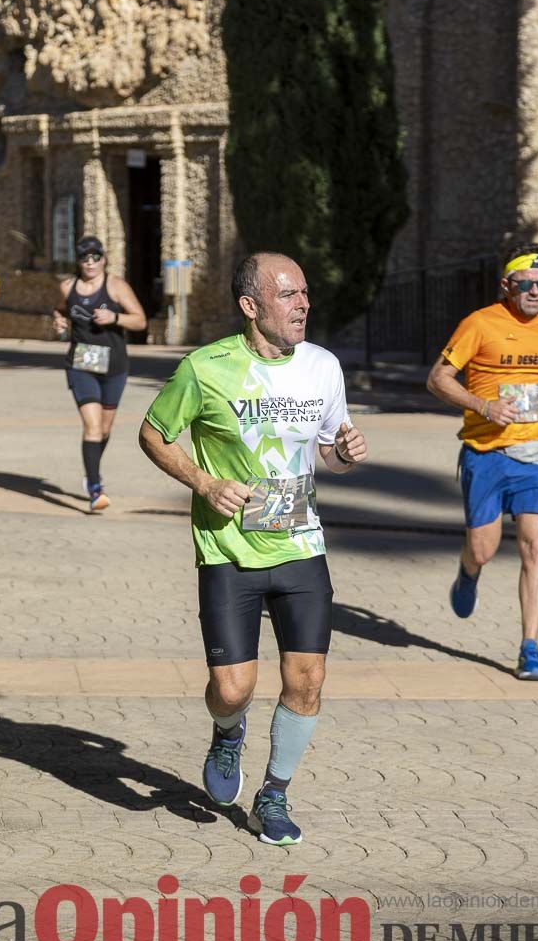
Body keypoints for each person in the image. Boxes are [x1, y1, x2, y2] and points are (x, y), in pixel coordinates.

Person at [138, 252, 367, 845]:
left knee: (308, 679)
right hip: (228, 548)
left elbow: (325, 454)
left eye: (305, 293)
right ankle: (227, 732)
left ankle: (273, 794)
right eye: (288, 295)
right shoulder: (205, 367)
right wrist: (205, 483)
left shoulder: (322, 367)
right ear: (250, 306)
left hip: (299, 543)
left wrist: (341, 455)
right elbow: (153, 433)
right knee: (233, 688)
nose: (303, 304)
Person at [426, 242, 538, 681]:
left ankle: (529, 648)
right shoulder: (479, 324)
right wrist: (484, 406)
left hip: (535, 453)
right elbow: (437, 378)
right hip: (486, 453)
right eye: (526, 284)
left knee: (536, 545)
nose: (536, 291)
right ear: (506, 286)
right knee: (484, 547)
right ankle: (468, 570)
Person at [53, 235, 146, 512]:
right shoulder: (67, 286)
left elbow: (140, 320)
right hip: (81, 364)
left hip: (115, 366)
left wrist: (115, 318)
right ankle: (95, 488)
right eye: (84, 257)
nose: (90, 262)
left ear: (104, 259)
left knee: (104, 429)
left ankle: (91, 471)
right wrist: (58, 321)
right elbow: (60, 310)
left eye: (95, 257)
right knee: (92, 426)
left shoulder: (116, 286)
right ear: (78, 261)